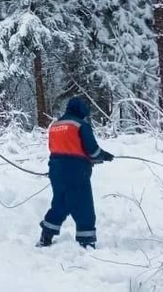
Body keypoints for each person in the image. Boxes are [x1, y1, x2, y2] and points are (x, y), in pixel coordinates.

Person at [38, 96, 114, 249]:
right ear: (82, 111)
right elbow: (93, 151)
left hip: (56, 169)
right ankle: (86, 242)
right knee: (83, 204)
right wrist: (104, 156)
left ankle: (46, 235)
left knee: (61, 202)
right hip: (76, 171)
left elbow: (58, 148)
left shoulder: (55, 125)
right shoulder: (80, 125)